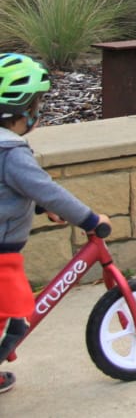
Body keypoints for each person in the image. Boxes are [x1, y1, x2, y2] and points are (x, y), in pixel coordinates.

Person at [0, 53, 110, 394]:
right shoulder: (13, 155)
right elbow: (48, 190)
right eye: (40, 103)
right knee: (16, 313)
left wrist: (36, 209)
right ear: (25, 113)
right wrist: (90, 219)